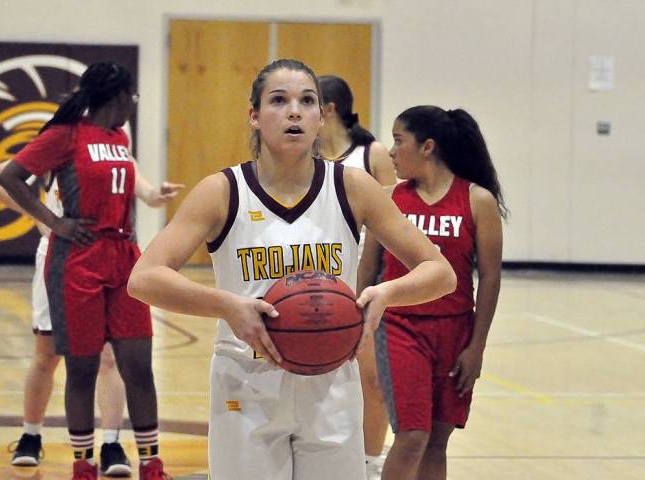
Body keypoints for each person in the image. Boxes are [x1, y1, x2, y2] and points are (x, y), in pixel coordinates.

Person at [126, 58, 456, 480]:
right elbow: (144, 278)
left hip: (332, 378)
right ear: (254, 116)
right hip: (246, 378)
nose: (294, 111)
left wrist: (385, 294)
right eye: (278, 100)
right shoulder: (222, 191)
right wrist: (227, 304)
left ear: (322, 117)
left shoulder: (351, 187)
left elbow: (439, 272)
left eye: (307, 101)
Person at [0, 61, 183, 480]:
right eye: (132, 96)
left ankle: (151, 464)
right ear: (118, 97)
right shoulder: (65, 135)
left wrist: (153, 195)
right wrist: (55, 221)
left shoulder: (119, 137)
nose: (134, 103)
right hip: (78, 260)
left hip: (124, 257)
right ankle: (83, 465)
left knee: (138, 364)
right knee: (81, 368)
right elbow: (11, 177)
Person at [358, 105, 508, 480]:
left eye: (398, 140)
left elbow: (489, 278)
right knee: (411, 437)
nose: (390, 151)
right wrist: (357, 325)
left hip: (455, 332)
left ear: (427, 147)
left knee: (437, 444)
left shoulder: (476, 201)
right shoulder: (389, 198)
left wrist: (477, 348)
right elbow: (367, 268)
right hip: (400, 328)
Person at [318, 74, 396, 478]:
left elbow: (394, 224)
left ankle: (369, 464)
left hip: (363, 283)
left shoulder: (372, 155)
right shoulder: (304, 155)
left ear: (327, 109)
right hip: (317, 282)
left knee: (372, 381)